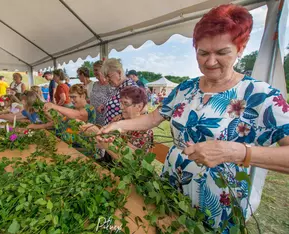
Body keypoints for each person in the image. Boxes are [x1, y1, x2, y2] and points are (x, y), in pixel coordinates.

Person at [98, 4, 289, 230]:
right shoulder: (186, 89)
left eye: (221, 52)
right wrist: (119, 125)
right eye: (203, 52)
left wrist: (237, 152)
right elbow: (152, 119)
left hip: (218, 200)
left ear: (241, 48)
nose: (210, 61)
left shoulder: (262, 96)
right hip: (172, 186)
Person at [83, 86, 153, 160]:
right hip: (108, 162)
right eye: (121, 103)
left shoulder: (144, 132)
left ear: (139, 106)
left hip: (122, 169)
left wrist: (97, 133)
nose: (121, 107)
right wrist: (92, 134)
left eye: (126, 103)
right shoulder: (119, 119)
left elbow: (129, 161)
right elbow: (101, 143)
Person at [101, 58, 137, 125]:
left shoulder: (130, 87)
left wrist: (122, 117)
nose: (107, 80)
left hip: (122, 132)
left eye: (108, 76)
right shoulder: (119, 87)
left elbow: (136, 113)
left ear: (119, 73)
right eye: (106, 77)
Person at [90, 60, 116, 126]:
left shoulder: (110, 84)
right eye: (93, 70)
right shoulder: (95, 84)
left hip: (105, 116)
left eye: (96, 70)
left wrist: (104, 104)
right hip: (94, 114)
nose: (94, 72)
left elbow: (114, 99)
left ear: (102, 70)